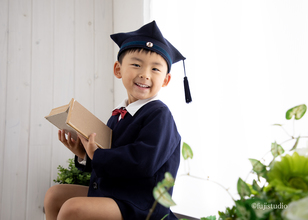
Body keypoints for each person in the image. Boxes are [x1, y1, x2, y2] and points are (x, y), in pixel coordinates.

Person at [44, 20, 191, 220]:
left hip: (143, 202)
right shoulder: (119, 115)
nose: (145, 75)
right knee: (55, 195)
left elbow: (142, 162)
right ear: (118, 69)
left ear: (165, 80)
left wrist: (98, 156)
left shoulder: (159, 115)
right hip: (118, 193)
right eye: (136, 65)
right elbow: (110, 158)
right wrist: (84, 154)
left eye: (155, 69)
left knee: (73, 208)